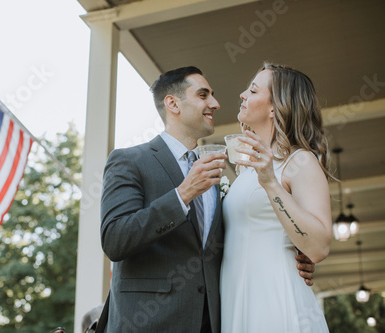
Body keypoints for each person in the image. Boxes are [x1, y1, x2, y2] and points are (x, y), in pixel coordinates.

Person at [100, 66, 315, 333]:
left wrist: (293, 252)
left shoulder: (220, 174)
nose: (215, 103)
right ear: (173, 103)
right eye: (203, 95)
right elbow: (114, 240)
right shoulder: (130, 160)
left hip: (212, 322)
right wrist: (183, 194)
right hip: (148, 322)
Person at [220, 62, 332, 332]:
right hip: (236, 297)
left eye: (253, 90)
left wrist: (270, 182)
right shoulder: (246, 168)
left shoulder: (300, 161)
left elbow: (318, 247)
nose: (242, 95)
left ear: (275, 107)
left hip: (275, 299)